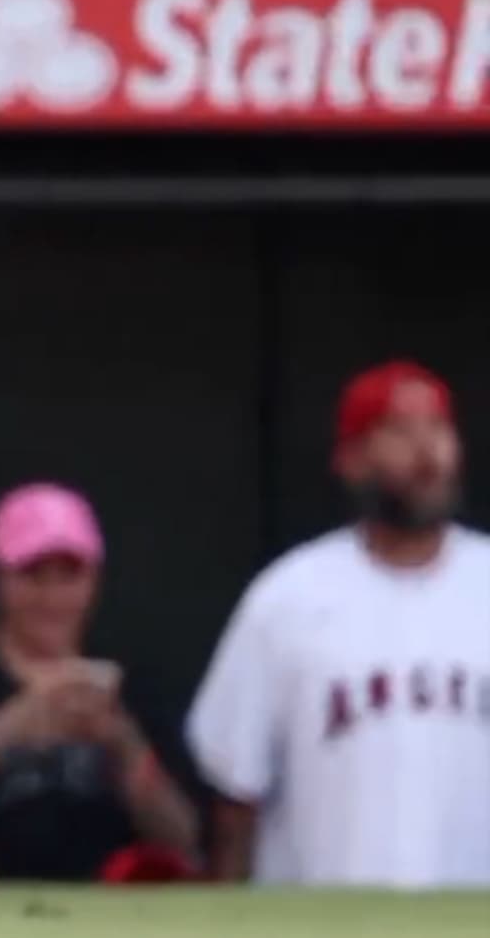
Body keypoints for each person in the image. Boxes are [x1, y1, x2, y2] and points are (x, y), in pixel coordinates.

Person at [187, 362, 490, 888]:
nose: (426, 451)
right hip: (324, 931)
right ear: (351, 459)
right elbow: (236, 796)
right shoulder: (288, 595)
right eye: (400, 431)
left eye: (438, 428)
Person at [0, 484, 202, 883]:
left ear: (93, 580)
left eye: (69, 576)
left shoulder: (130, 686)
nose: (52, 597)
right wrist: (1, 732)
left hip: (116, 912)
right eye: (33, 576)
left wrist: (124, 746)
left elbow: (184, 840)